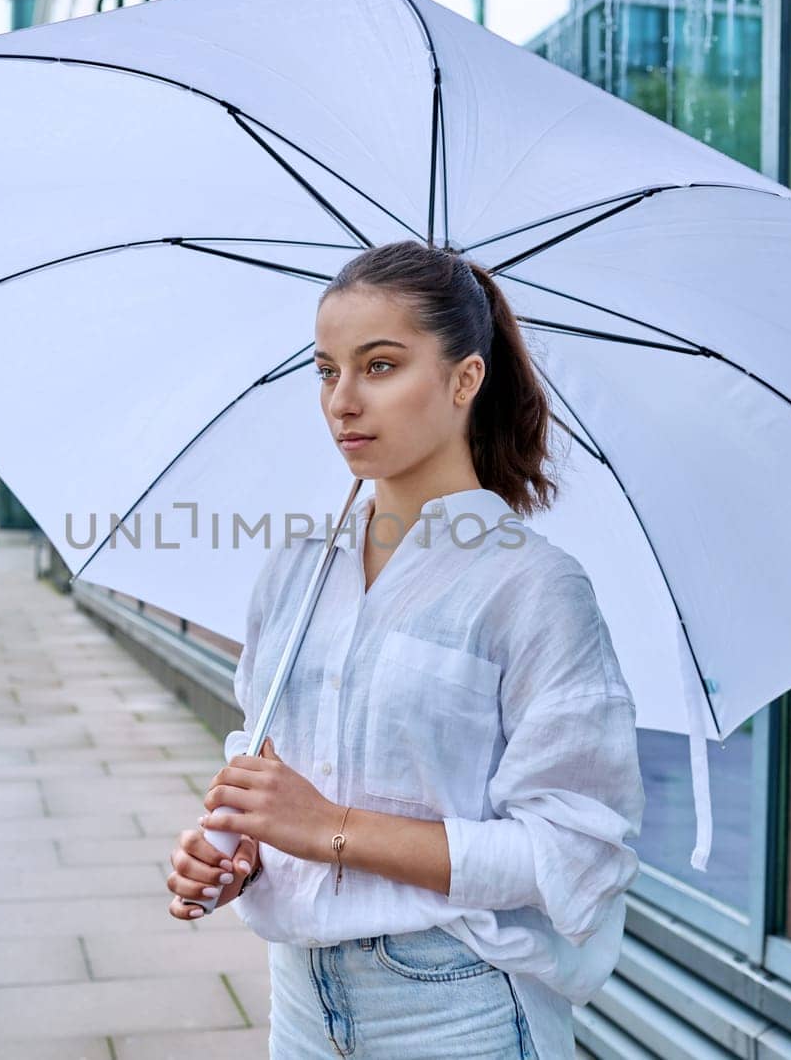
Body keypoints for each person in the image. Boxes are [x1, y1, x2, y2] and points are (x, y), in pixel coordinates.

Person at [164, 240, 646, 1059]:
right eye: (325, 371)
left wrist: (329, 827)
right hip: (300, 1004)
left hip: (456, 1009)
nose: (342, 401)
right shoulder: (295, 568)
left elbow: (572, 849)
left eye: (379, 366)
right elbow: (274, 769)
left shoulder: (532, 588)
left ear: (464, 379)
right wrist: (245, 849)